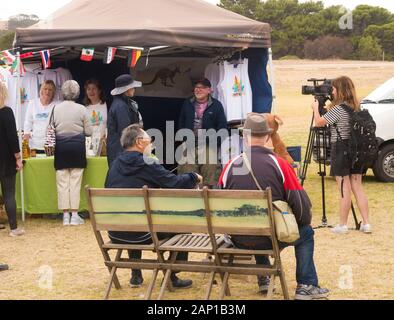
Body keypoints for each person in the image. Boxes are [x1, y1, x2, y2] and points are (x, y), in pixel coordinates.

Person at [219, 113, 329, 300]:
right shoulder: (280, 165)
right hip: (271, 237)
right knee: (306, 233)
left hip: (239, 238)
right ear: (268, 137)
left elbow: (219, 208)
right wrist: (299, 223)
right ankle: (307, 285)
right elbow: (302, 207)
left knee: (256, 223)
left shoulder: (229, 166)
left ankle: (264, 279)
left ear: (245, 137)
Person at [105, 124, 202, 289]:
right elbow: (173, 183)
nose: (151, 145)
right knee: (182, 223)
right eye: (149, 141)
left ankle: (136, 274)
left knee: (132, 217)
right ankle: (173, 274)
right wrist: (194, 176)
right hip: (143, 233)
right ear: (139, 142)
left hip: (116, 231)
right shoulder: (146, 162)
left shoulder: (114, 164)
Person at [311, 76, 371, 234]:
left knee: (344, 188)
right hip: (357, 150)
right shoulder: (357, 107)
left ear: (341, 90)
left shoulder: (339, 109)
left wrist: (315, 108)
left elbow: (318, 122)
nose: (332, 91)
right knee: (357, 187)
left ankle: (343, 225)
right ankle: (366, 224)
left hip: (341, 148)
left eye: (334, 88)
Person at [53, 80, 93, 226]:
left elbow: (50, 128)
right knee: (75, 182)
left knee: (62, 182)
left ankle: (65, 216)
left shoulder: (56, 108)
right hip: (77, 149)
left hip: (61, 149)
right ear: (77, 93)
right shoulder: (82, 109)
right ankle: (75, 215)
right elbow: (89, 132)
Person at [178, 78, 228, 188]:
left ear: (209, 90)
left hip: (208, 144)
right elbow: (181, 122)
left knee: (210, 170)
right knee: (187, 171)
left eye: (202, 87)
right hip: (190, 142)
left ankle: (207, 195)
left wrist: (214, 143)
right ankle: (189, 196)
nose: (198, 90)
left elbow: (223, 128)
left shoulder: (216, 105)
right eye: (196, 87)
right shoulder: (187, 103)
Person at [0, 82, 24, 237]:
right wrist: (18, 157)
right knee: (9, 193)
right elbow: (12, 137)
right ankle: (13, 229)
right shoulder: (7, 112)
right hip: (5, 158)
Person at [107, 74, 143, 166]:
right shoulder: (121, 107)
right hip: (120, 153)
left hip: (119, 152)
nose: (134, 89)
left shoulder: (122, 103)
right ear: (127, 90)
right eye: (132, 87)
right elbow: (126, 132)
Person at [23, 80, 57, 152]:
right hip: (35, 144)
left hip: (51, 146)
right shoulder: (33, 103)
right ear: (41, 90)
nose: (47, 92)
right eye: (45, 89)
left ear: (53, 92)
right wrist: (26, 134)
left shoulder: (57, 105)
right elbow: (28, 121)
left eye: (50, 90)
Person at [83, 79, 107, 155]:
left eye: (94, 88)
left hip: (105, 145)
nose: (91, 91)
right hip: (89, 147)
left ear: (99, 90)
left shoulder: (107, 105)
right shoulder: (83, 108)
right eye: (88, 89)